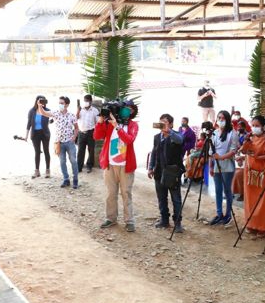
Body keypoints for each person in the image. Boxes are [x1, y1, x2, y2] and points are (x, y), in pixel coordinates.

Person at [95, 101, 139, 232]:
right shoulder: (109, 123)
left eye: (130, 109)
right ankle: (111, 218)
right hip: (110, 164)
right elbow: (97, 136)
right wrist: (101, 121)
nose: (127, 111)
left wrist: (117, 127)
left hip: (126, 165)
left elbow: (129, 140)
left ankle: (129, 221)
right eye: (125, 108)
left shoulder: (133, 125)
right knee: (111, 193)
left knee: (126, 193)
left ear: (133, 112)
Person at [239, 116, 265, 236]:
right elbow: (243, 151)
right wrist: (246, 141)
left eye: (257, 126)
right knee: (250, 200)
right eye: (253, 125)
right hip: (250, 172)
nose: (254, 128)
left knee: (263, 200)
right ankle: (251, 224)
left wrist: (258, 157)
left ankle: (263, 227)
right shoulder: (251, 137)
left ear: (263, 126)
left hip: (264, 173)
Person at [147, 114, 184, 233]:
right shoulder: (157, 137)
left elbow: (180, 140)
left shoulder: (176, 135)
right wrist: (150, 167)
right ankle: (164, 220)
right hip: (159, 171)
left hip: (173, 172)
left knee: (176, 199)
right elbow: (154, 152)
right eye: (161, 121)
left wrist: (169, 132)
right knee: (161, 198)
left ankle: (178, 223)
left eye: (165, 122)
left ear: (171, 124)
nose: (162, 123)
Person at [37, 96, 79, 189]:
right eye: (59, 103)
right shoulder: (55, 113)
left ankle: (75, 180)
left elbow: (76, 127)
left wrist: (74, 137)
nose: (60, 104)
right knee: (62, 162)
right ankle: (66, 179)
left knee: (73, 161)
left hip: (70, 142)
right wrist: (40, 106)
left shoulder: (72, 115)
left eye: (62, 103)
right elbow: (43, 113)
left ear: (67, 105)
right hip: (59, 143)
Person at [209, 110, 238, 226]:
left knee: (227, 190)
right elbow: (211, 151)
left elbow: (233, 151)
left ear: (227, 120)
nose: (220, 120)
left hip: (227, 166)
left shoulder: (233, 133)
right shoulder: (215, 133)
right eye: (219, 118)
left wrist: (221, 157)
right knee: (218, 190)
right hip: (216, 166)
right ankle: (219, 213)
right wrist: (211, 165)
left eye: (223, 118)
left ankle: (228, 214)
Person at [25, 95, 51, 179]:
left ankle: (47, 170)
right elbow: (29, 124)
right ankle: (37, 171)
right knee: (37, 152)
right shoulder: (32, 111)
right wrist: (26, 136)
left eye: (43, 100)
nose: (41, 102)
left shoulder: (47, 110)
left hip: (45, 134)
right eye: (40, 100)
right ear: (36, 101)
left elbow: (55, 118)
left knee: (46, 151)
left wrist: (50, 122)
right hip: (35, 134)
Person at [76, 94, 98, 174]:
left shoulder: (95, 111)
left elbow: (97, 122)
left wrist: (95, 132)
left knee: (91, 150)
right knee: (80, 150)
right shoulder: (81, 110)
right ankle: (79, 167)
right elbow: (76, 118)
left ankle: (89, 166)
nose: (85, 102)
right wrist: (78, 110)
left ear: (91, 102)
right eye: (84, 101)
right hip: (81, 133)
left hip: (91, 132)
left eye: (87, 101)